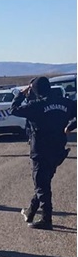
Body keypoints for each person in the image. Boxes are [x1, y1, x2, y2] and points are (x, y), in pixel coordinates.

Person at [10, 76, 77, 230]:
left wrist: (21, 94)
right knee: (44, 182)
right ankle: (31, 210)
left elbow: (14, 109)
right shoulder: (65, 102)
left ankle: (47, 219)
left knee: (41, 183)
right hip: (57, 149)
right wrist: (71, 126)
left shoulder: (37, 105)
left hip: (40, 150)